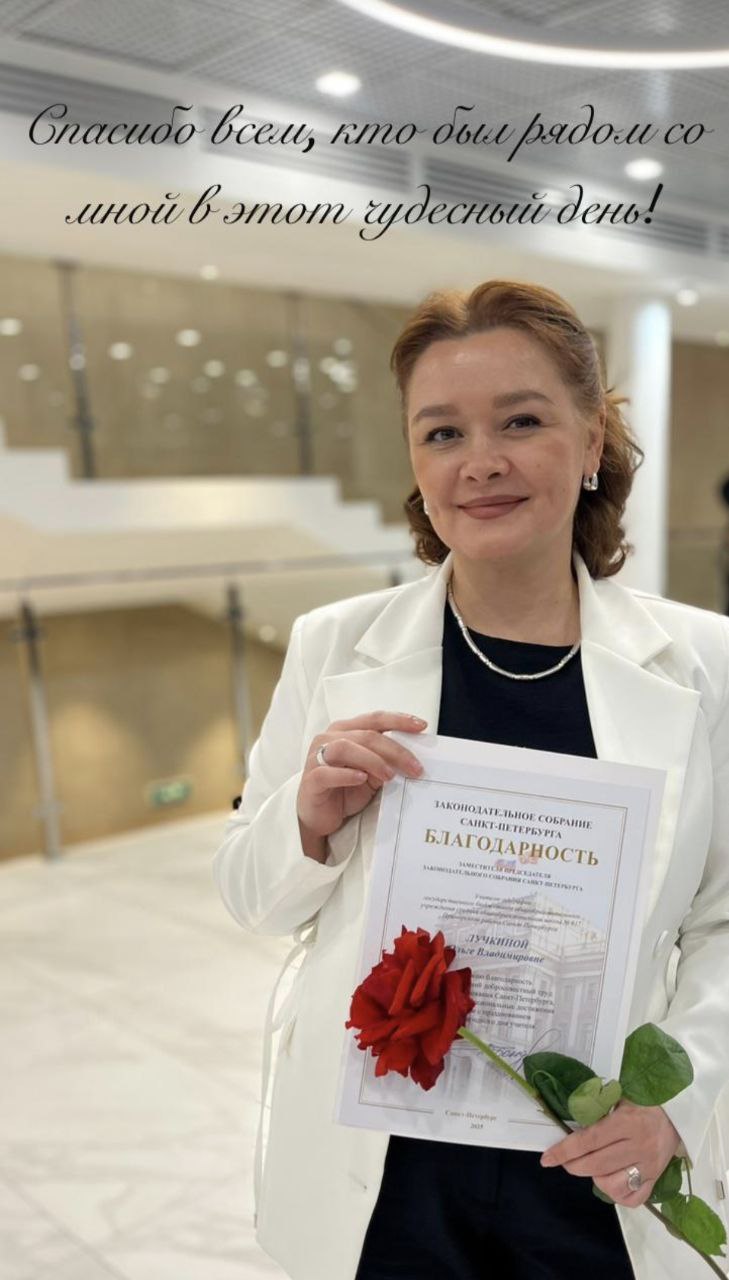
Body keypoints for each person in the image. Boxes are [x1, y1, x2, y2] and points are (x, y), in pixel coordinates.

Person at [214, 280, 729, 1280]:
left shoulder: (706, 663)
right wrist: (305, 820)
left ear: (591, 442)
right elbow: (250, 895)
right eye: (442, 432)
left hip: (594, 1159)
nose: (480, 461)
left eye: (521, 421)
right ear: (416, 462)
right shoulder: (334, 647)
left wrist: (681, 1095)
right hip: (384, 1170)